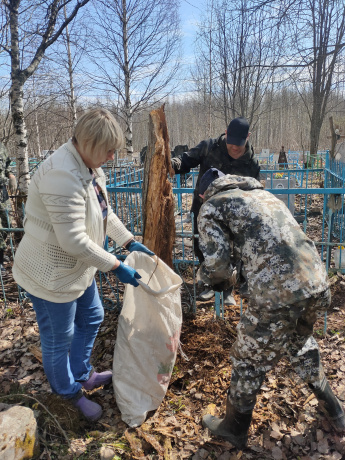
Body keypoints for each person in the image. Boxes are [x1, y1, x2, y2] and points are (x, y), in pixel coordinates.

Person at [13, 108, 154, 422]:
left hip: (77, 267)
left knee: (92, 315)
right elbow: (73, 241)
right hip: (51, 274)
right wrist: (115, 266)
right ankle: (68, 392)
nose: (112, 155)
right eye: (107, 149)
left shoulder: (90, 167)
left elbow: (104, 213)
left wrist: (128, 241)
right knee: (57, 337)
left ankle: (81, 372)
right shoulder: (61, 175)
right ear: (88, 144)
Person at [197, 168, 345, 449]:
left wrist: (209, 280)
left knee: (247, 359)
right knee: (298, 344)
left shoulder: (211, 206)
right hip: (316, 283)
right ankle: (336, 412)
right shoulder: (261, 194)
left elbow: (217, 266)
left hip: (277, 293)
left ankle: (233, 428)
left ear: (204, 193)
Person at [171, 117, 260, 305]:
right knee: (202, 245)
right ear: (226, 134)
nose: (234, 148)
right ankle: (208, 284)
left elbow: (254, 191)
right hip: (203, 208)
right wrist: (171, 164)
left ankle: (227, 288)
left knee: (231, 248)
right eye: (231, 142)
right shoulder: (209, 147)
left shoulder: (251, 162)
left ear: (248, 137)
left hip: (232, 213)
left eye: (239, 144)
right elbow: (186, 160)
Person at [0, 141, 16, 277]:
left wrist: (10, 176)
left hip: (2, 191)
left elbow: (7, 166)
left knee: (7, 223)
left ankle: (2, 251)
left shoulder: (1, 147)